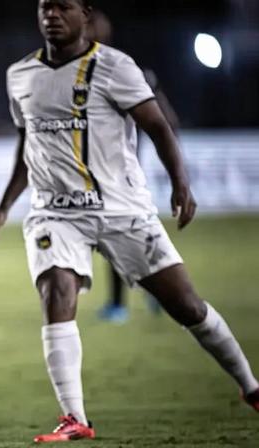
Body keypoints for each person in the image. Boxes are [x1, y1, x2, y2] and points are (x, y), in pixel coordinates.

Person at [0, 0, 259, 442]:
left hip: (122, 209)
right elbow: (26, 145)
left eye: (62, 7)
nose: (51, 14)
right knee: (56, 290)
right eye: (44, 7)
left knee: (188, 307)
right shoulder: (20, 74)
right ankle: (75, 418)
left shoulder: (115, 66)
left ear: (84, 14)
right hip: (56, 212)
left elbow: (159, 126)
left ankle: (251, 386)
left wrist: (181, 185)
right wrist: (3, 205)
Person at [86, 8, 176, 323]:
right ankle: (153, 293)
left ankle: (121, 304)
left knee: (116, 238)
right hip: (98, 175)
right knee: (121, 238)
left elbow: (167, 122)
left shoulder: (124, 70)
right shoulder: (77, 71)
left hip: (120, 176)